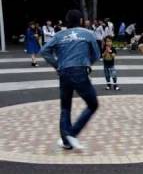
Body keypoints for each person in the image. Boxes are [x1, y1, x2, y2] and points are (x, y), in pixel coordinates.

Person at [40, 10, 100, 150]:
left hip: (64, 73)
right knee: (92, 104)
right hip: (79, 71)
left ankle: (66, 141)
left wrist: (57, 65)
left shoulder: (59, 35)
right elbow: (96, 54)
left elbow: (44, 51)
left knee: (65, 107)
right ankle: (72, 134)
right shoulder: (87, 34)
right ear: (80, 21)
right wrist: (86, 63)